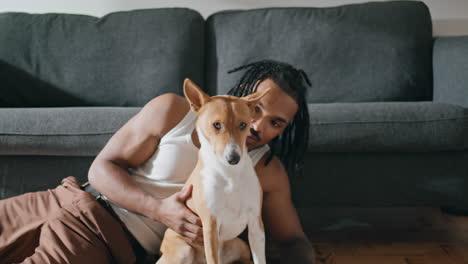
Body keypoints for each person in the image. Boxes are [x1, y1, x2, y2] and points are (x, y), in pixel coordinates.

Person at [0, 60, 316, 264]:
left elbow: (293, 240)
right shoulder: (174, 111)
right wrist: (159, 209)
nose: (260, 127)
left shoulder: (266, 170)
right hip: (65, 199)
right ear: (242, 97)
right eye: (257, 110)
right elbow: (101, 168)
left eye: (277, 123)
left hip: (103, 238)